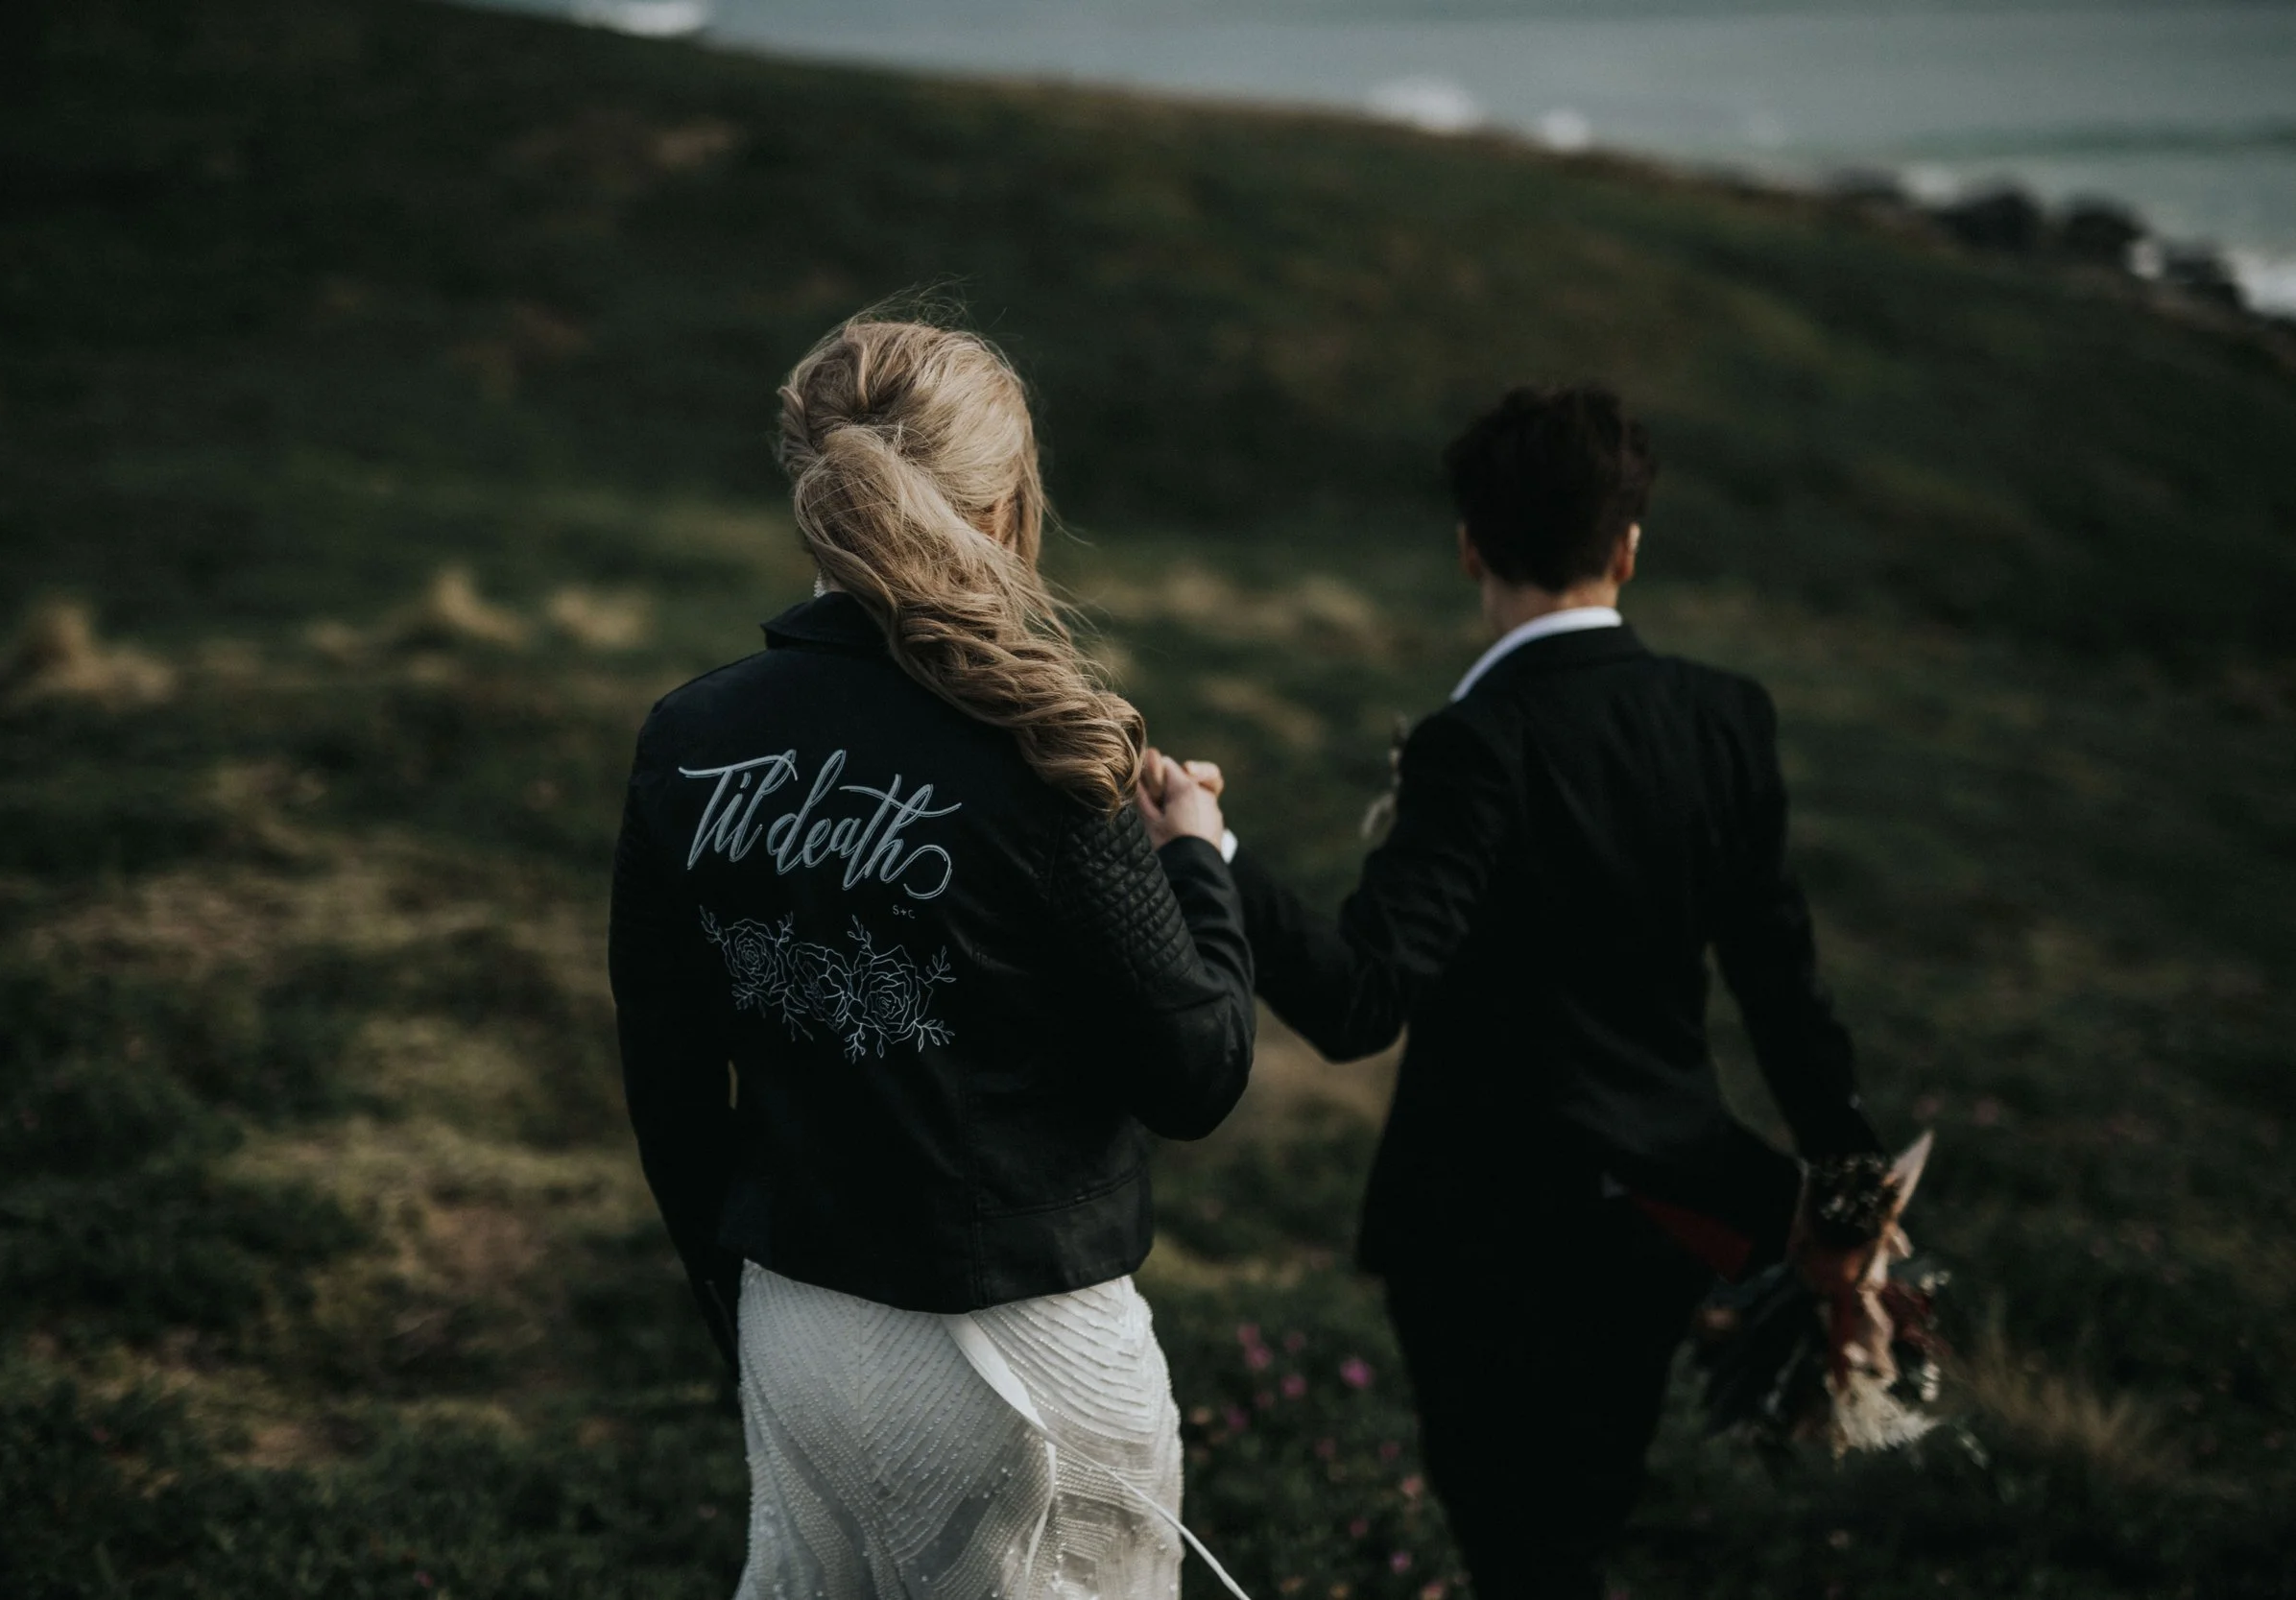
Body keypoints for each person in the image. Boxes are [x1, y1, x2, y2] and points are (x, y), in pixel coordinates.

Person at [1144, 386, 1881, 1598]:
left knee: (1518, 1552)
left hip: (1486, 1241)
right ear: (1628, 547)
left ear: (1469, 547)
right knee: (1572, 1535)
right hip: (1664, 1220)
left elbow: (1359, 999)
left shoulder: (1477, 742)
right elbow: (1782, 982)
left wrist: (1206, 851)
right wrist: (1847, 1180)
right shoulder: (1724, 719)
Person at [609, 317, 1254, 1600]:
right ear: (1007, 502)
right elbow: (1199, 1069)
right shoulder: (1047, 746)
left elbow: (670, 1082)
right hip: (1025, 1343)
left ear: (815, 485)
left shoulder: (690, 733)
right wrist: (1198, 862)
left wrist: (744, 1310)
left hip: (793, 1312)